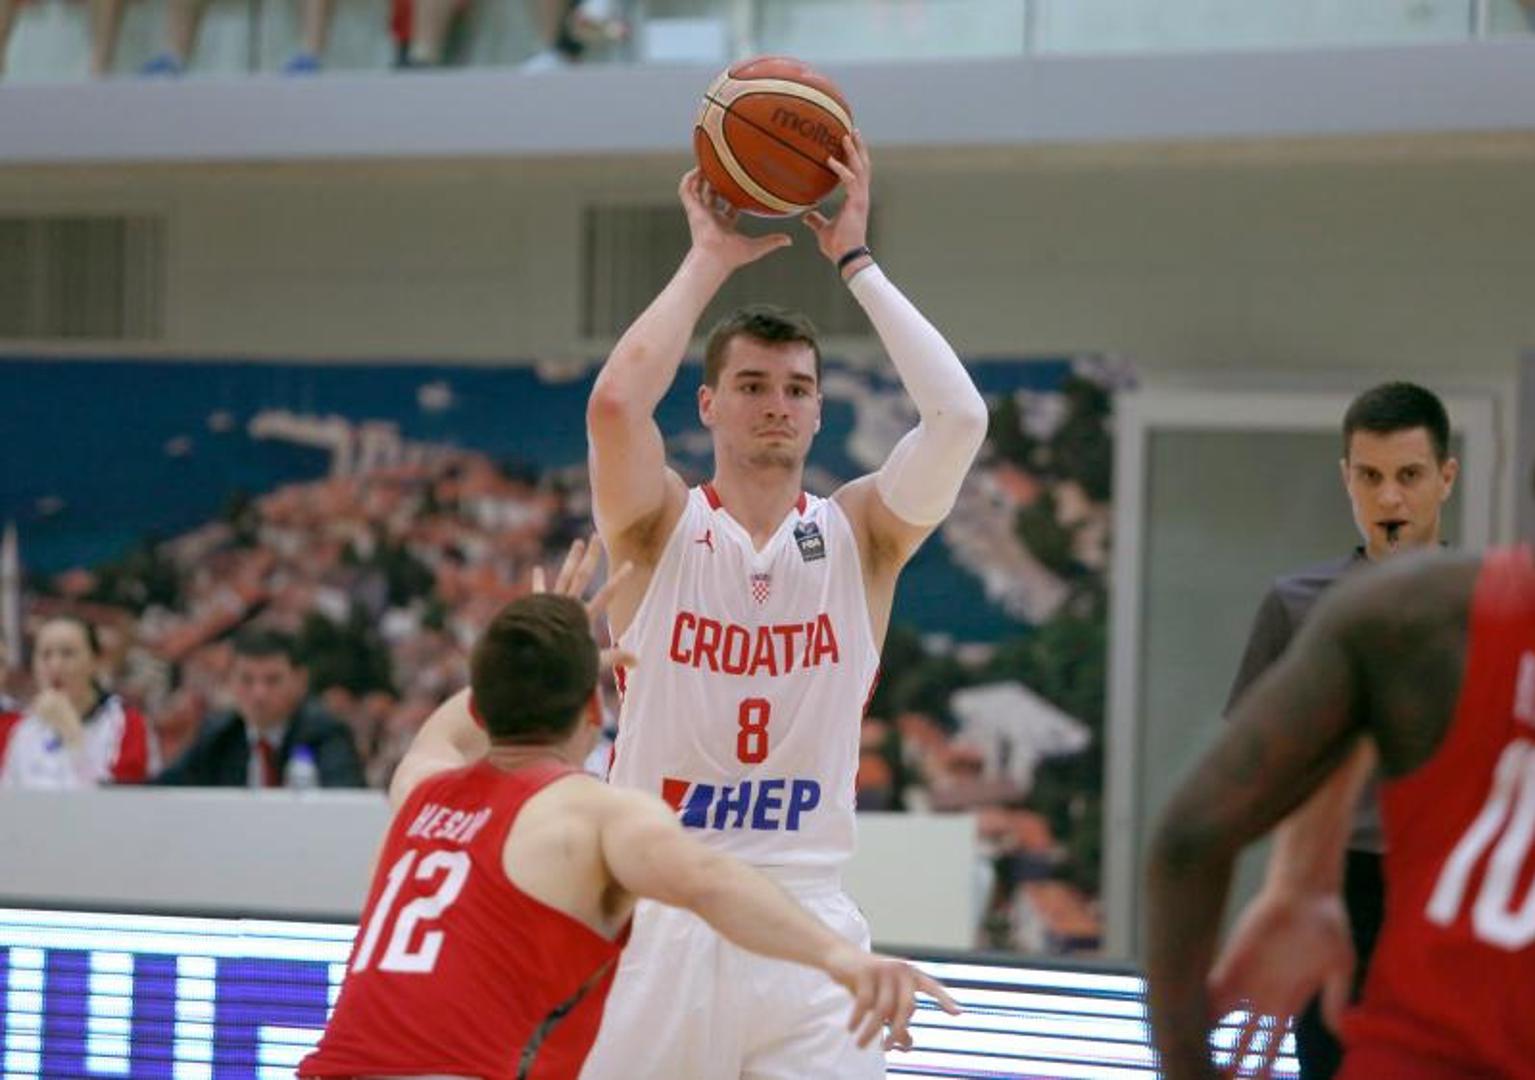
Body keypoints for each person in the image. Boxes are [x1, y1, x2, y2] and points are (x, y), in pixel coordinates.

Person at [580, 133, 988, 1078]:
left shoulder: (862, 537)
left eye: (797, 389)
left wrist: (857, 261)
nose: (777, 404)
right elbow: (614, 408)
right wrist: (705, 261)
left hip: (808, 921)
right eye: (752, 386)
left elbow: (960, 419)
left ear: (817, 411)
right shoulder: (659, 528)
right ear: (709, 405)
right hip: (658, 913)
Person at [299, 584, 958, 1079]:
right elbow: (708, 879)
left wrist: (532, 653)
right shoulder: (585, 813)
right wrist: (843, 959)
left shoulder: (420, 790)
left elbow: (446, 730)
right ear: (594, 707)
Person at [1145, 539, 1535, 1080]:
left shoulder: (1411, 608)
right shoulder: (1332, 600)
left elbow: (1189, 837)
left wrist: (1302, 878)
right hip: (1366, 896)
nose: (1392, 501)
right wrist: (1304, 877)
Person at [1221, 381, 1458, 1078]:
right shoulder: (1295, 606)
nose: (1390, 499)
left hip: (1452, 883)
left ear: (1445, 478)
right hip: (1335, 883)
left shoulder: (1493, 604)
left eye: (1408, 476)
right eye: (1371, 477)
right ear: (1346, 479)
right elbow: (1252, 767)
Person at [158, 627, 366, 787]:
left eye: (272, 680)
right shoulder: (220, 735)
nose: (259, 694)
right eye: (246, 680)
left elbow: (344, 802)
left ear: (300, 680)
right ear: (229, 681)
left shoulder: (325, 735)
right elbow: (164, 792)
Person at [0, 613, 156, 789]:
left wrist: (71, 734)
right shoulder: (22, 729)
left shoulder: (127, 723)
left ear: (95, 661)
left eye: (68, 654)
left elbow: (121, 800)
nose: (55, 665)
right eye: (45, 655)